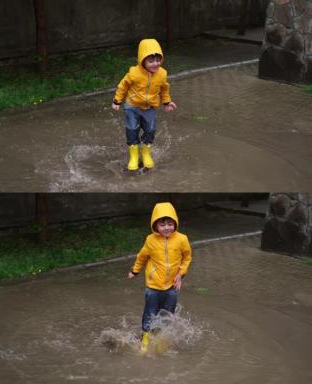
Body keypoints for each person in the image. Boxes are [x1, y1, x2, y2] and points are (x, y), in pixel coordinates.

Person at [127, 202, 191, 353]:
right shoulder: (150, 240)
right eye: (162, 224)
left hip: (172, 287)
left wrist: (180, 274)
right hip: (153, 287)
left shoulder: (182, 239)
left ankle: (163, 339)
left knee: (168, 314)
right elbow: (141, 257)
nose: (167, 227)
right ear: (155, 225)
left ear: (175, 223)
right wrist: (134, 271)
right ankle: (145, 338)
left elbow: (187, 258)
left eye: (170, 223)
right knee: (150, 313)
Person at [112, 38, 177, 171]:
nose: (155, 64)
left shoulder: (162, 74)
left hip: (150, 107)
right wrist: (117, 100)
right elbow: (122, 86)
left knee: (151, 130)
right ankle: (134, 155)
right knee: (131, 129)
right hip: (132, 106)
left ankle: (146, 152)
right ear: (142, 60)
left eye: (158, 60)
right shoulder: (134, 73)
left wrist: (167, 102)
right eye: (151, 60)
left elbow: (164, 89)